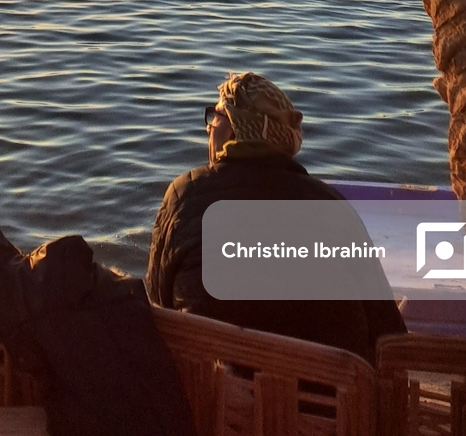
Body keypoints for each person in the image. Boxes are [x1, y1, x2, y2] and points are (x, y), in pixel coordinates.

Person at [146, 71, 406, 361]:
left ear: (234, 130)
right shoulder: (332, 206)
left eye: (216, 116)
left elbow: (158, 307)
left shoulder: (184, 195)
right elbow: (388, 330)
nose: (209, 128)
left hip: (215, 386)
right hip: (328, 388)